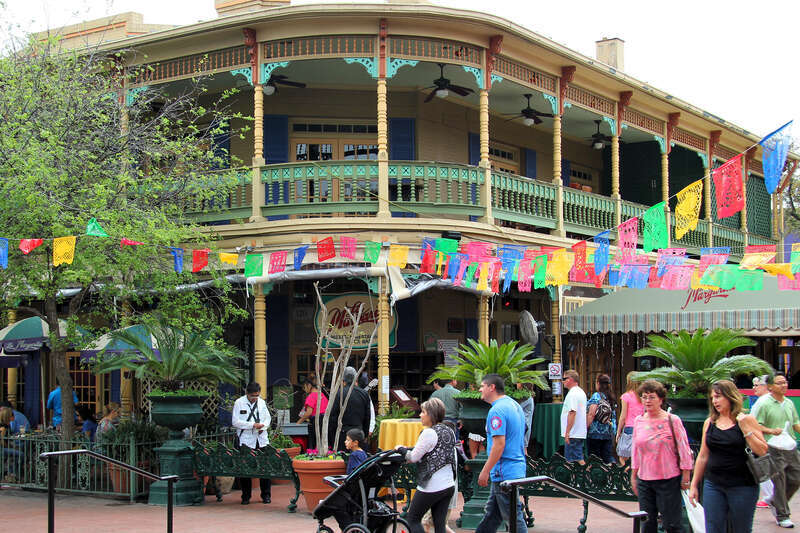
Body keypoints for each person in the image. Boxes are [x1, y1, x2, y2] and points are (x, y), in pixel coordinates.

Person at [688, 380, 767, 533]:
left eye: (718, 396)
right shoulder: (709, 422)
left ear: (730, 396)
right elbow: (703, 455)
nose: (715, 401)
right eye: (712, 398)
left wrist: (746, 431)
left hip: (743, 485)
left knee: (741, 529)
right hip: (714, 484)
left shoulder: (746, 420)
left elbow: (762, 450)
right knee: (713, 528)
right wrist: (694, 485)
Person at [630, 380, 694, 533]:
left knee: (672, 523)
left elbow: (684, 448)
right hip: (645, 479)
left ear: (660, 399)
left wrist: (686, 475)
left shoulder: (672, 420)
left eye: (651, 397)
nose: (647, 401)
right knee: (647, 523)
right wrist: (634, 475)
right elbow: (636, 450)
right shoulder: (639, 421)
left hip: (668, 479)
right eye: (644, 397)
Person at [474, 374, 528, 533]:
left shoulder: (497, 410)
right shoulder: (514, 405)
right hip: (513, 467)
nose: (480, 389)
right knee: (493, 515)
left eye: (482, 386)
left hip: (504, 471)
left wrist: (485, 471)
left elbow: (499, 444)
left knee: (513, 517)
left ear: (492, 387)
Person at [401, 397, 457, 533]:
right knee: (439, 524)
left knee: (413, 519)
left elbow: (413, 457)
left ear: (430, 414)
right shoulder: (449, 431)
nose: (420, 415)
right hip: (449, 484)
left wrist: (401, 449)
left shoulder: (428, 433)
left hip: (432, 486)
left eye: (423, 412)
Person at [753, 373, 800, 528]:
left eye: (785, 382)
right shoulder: (763, 403)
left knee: (796, 478)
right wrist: (771, 431)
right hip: (771, 447)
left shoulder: (788, 403)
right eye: (780, 383)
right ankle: (782, 515)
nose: (784, 385)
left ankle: (775, 502)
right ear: (771, 387)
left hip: (789, 446)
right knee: (779, 480)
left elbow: (795, 424)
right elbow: (754, 425)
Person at [231, 382, 272, 505]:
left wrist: (262, 426)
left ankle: (266, 495)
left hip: (261, 439)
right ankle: (246, 496)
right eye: (253, 396)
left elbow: (267, 418)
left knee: (265, 468)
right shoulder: (239, 402)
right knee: (246, 469)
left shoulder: (262, 402)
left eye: (257, 396)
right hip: (246, 440)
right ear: (247, 394)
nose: (255, 398)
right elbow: (235, 422)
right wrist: (251, 425)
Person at [326, 367, 371, 452]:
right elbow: (367, 416)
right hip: (359, 432)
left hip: (342, 433)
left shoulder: (338, 393)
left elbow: (333, 416)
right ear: (356, 378)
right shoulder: (364, 394)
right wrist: (365, 434)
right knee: (359, 460)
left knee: (342, 460)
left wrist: (332, 435)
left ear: (343, 380)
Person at [748, 375, 773, 508]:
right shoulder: (772, 400)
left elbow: (754, 422)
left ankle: (771, 497)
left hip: (762, 441)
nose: (754, 388)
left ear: (765, 386)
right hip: (770, 441)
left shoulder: (762, 402)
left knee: (761, 469)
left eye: (756, 385)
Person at [586, 373, 617, 464]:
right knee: (607, 456)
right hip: (607, 432)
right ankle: (612, 474)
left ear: (598, 383)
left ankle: (598, 476)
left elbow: (591, 413)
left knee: (595, 458)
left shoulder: (597, 396)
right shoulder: (611, 396)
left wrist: (586, 427)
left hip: (595, 432)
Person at [615, 372, 643, 465]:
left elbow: (623, 416)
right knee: (638, 455)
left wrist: (618, 432)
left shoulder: (626, 396)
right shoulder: (643, 397)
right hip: (641, 427)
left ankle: (628, 474)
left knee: (623, 455)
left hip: (629, 427)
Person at [560, 369, 587, 464]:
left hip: (573, 432)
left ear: (570, 379)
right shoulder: (580, 392)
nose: (562, 381)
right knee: (576, 457)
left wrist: (567, 432)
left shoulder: (573, 394)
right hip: (577, 431)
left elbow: (572, 412)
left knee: (574, 459)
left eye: (564, 379)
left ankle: (587, 476)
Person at [297, 377, 328, 450]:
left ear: (309, 385)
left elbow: (308, 412)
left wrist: (299, 422)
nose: (304, 390)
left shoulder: (311, 396)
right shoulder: (322, 395)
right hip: (325, 422)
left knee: (313, 444)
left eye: (304, 387)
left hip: (316, 422)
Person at [516, 382, 534, 452]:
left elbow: (516, 407)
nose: (517, 384)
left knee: (523, 447)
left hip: (524, 425)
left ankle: (526, 462)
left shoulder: (527, 397)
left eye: (519, 382)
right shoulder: (527, 397)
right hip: (523, 425)